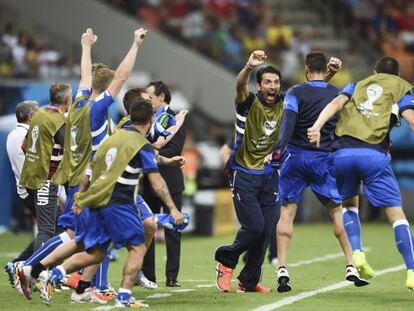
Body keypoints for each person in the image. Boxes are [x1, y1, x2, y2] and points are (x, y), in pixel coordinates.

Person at [18, 27, 148, 303]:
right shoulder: (98, 109)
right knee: (77, 237)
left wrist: (86, 46)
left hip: (77, 176)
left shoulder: (77, 102)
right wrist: (135, 45)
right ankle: (37, 269)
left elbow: (85, 75)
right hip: (87, 182)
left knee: (89, 238)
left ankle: (81, 285)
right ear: (107, 88)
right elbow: (122, 76)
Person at [42, 98, 184, 307]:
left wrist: (80, 197)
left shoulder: (111, 138)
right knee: (137, 247)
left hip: (96, 201)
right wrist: (173, 209)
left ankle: (54, 273)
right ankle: (125, 295)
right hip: (118, 202)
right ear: (151, 119)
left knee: (96, 252)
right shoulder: (141, 145)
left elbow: (87, 172)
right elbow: (157, 183)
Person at [307, 56, 414, 290]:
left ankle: (357, 252)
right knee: (397, 216)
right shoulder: (401, 87)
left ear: (375, 71)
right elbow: (410, 118)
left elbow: (335, 104)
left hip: (342, 155)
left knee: (349, 205)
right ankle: (412, 270)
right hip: (373, 155)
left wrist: (316, 126)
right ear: (395, 75)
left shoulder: (356, 85)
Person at [267, 51, 368, 292]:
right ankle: (351, 265)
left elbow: (288, 123)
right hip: (324, 159)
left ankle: (281, 268)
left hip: (295, 158)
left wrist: (278, 150)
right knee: (336, 212)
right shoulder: (337, 94)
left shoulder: (294, 93)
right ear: (326, 70)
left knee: (286, 214)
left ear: (306, 70)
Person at [214, 50, 283, 293]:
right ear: (259, 85)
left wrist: (327, 75)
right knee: (254, 227)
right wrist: (248, 67)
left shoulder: (284, 104)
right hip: (243, 172)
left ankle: (249, 281)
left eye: (275, 82)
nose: (272, 86)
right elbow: (240, 85)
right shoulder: (248, 102)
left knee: (266, 231)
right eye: (267, 82)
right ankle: (226, 261)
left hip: (269, 175)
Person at [142, 80, 186, 287]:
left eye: (150, 97)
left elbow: (175, 149)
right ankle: (148, 276)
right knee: (147, 227)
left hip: (171, 180)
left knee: (173, 229)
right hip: (149, 180)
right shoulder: (145, 119)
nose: (147, 101)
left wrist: (149, 151)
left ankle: (172, 276)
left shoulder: (176, 118)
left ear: (161, 97)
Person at [19, 83, 70, 254]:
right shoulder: (58, 121)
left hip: (31, 178)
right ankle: (33, 272)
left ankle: (19, 264)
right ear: (67, 100)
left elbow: (24, 146)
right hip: (45, 181)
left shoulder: (39, 116)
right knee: (47, 230)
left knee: (59, 227)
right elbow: (69, 149)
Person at [4, 100, 39, 289]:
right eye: (38, 112)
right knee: (57, 232)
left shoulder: (13, 134)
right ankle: (23, 265)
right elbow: (30, 168)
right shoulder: (25, 136)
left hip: (26, 190)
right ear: (31, 116)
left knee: (52, 232)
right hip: (33, 190)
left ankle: (24, 267)